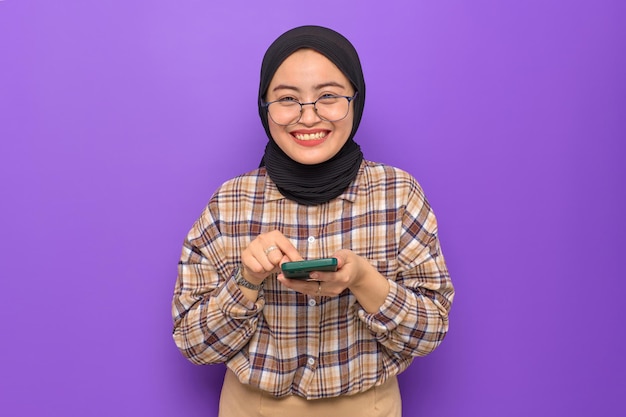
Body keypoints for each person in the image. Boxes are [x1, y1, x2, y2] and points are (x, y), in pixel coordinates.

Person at [172, 25, 454, 417]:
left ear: (355, 100)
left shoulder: (398, 193)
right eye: (287, 99)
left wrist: (363, 280)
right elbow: (193, 343)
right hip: (251, 407)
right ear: (264, 107)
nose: (308, 117)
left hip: (367, 407)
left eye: (328, 97)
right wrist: (247, 281)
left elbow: (429, 333)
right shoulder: (230, 202)